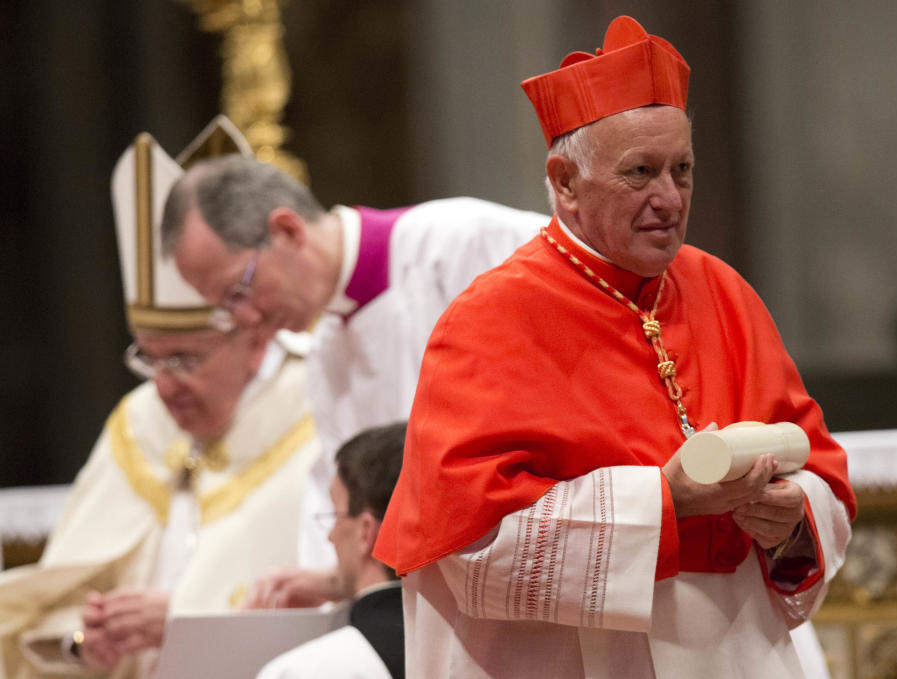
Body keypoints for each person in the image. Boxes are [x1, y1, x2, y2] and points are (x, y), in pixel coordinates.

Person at [374, 16, 858, 678]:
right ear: (565, 181)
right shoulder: (491, 318)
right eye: (641, 172)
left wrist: (789, 520)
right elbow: (470, 544)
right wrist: (666, 499)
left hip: (735, 648)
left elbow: (821, 467)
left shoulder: (722, 289)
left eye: (682, 169)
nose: (670, 198)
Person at [0, 118, 320, 679]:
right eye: (149, 356)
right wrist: (86, 643)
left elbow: (342, 605)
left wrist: (189, 622)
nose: (163, 382)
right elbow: (58, 617)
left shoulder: (318, 409)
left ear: (254, 333)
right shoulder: (140, 421)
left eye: (185, 359)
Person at [159, 155, 548, 581]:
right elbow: (339, 498)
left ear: (287, 231)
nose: (246, 319)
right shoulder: (325, 351)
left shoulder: (469, 245)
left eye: (239, 290)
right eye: (225, 307)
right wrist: (328, 581)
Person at [256, 422, 406, 679]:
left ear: (365, 531)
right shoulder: (475, 653)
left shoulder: (305, 672)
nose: (330, 535)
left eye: (336, 515)